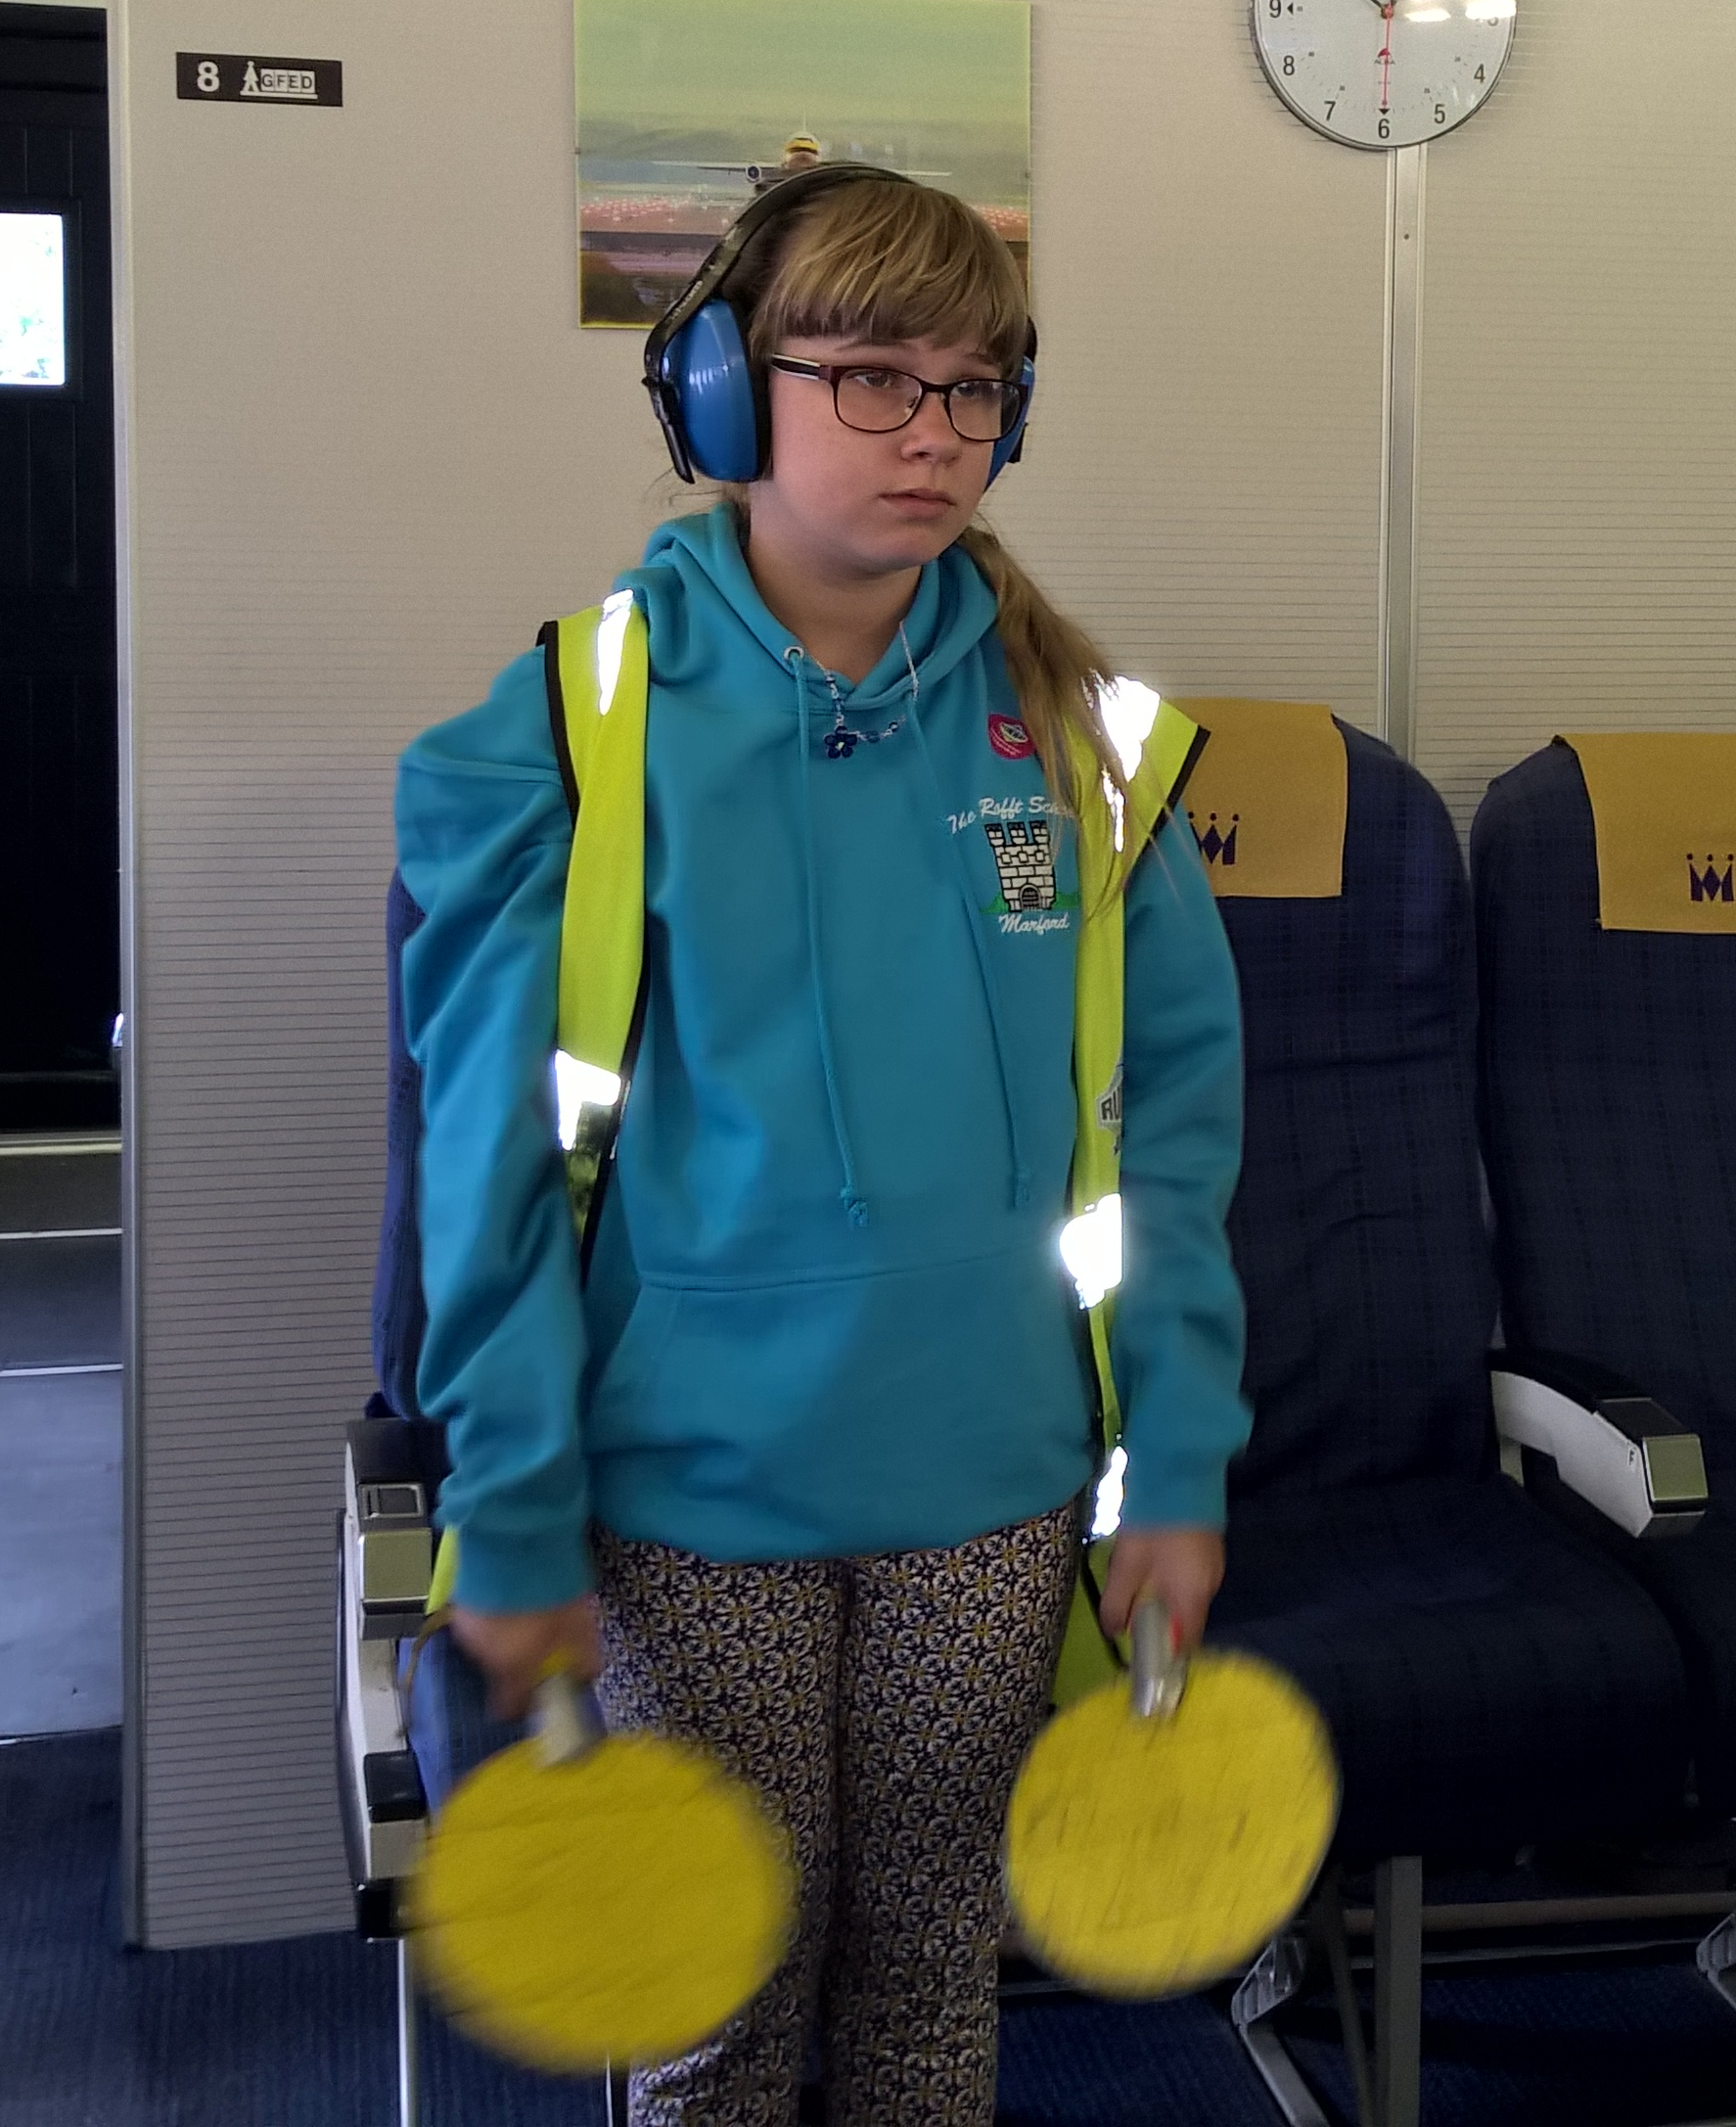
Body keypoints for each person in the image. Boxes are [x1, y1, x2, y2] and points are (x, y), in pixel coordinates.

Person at [394, 164, 1249, 2122]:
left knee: (932, 1979)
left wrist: (1177, 1466)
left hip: (995, 1478)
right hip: (691, 1493)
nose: (932, 430)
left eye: (974, 387)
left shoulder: (1091, 744)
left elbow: (1172, 1151)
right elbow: (492, 1170)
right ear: (720, 391)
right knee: (719, 2008)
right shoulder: (570, 730)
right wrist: (509, 1508)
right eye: (870, 375)